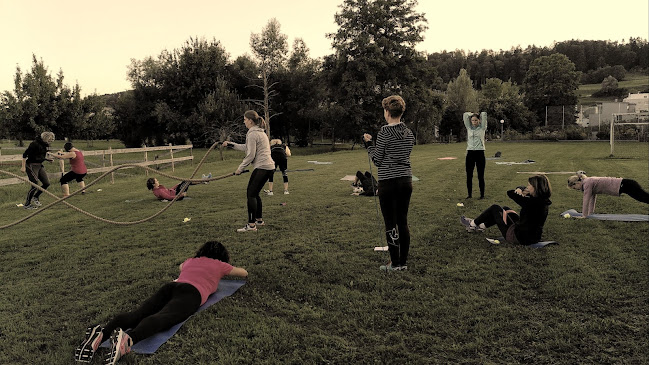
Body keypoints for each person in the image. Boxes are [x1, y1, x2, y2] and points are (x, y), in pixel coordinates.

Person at [74, 241, 248, 364]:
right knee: (165, 317)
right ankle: (129, 339)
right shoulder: (220, 265)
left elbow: (181, 267)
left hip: (172, 286)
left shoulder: (191, 261)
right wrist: (222, 270)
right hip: (192, 294)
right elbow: (243, 273)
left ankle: (102, 333)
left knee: (138, 314)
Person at [363, 95, 415, 271]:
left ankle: (394, 262)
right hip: (406, 180)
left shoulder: (385, 132)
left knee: (390, 222)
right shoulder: (409, 133)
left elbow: (377, 160)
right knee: (402, 221)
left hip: (388, 182)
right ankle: (403, 262)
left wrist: (369, 144)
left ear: (387, 112)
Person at [460, 175, 552, 245]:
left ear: (535, 187)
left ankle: (472, 224)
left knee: (495, 208)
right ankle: (481, 226)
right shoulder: (542, 201)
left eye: (529, 185)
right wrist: (523, 190)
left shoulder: (531, 203)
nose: (527, 187)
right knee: (505, 209)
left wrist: (519, 190)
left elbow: (510, 193)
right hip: (533, 237)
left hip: (519, 237)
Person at [222, 110, 275, 232]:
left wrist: (240, 168)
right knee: (255, 194)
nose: (244, 121)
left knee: (251, 194)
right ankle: (259, 220)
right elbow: (247, 147)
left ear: (250, 121)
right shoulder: (260, 133)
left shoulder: (252, 134)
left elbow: (250, 155)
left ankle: (251, 225)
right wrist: (230, 144)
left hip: (262, 167)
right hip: (268, 167)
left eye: (245, 119)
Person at [567, 171, 649, 217]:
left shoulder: (587, 183)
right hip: (624, 185)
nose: (576, 190)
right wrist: (590, 214)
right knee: (644, 197)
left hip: (625, 185)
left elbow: (586, 200)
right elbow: (592, 198)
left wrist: (584, 216)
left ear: (576, 183)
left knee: (643, 198)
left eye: (574, 188)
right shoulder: (588, 182)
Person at [21, 131, 55, 209]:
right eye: (49, 139)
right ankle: (27, 204)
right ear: (45, 138)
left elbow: (39, 155)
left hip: (39, 165)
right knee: (35, 184)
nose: (50, 141)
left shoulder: (45, 145)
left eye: (52, 139)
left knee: (46, 183)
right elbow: (25, 155)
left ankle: (35, 197)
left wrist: (47, 159)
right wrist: (23, 167)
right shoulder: (34, 144)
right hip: (31, 165)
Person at [463, 111, 488, 199]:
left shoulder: (482, 128)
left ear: (479, 121)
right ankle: (469, 194)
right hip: (470, 153)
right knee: (469, 175)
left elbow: (484, 114)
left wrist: (479, 114)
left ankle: (482, 195)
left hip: (480, 152)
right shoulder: (469, 128)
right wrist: (471, 114)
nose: (474, 122)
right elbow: (465, 115)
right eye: (473, 120)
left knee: (480, 175)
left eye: (476, 120)